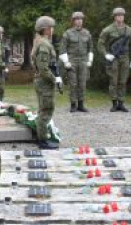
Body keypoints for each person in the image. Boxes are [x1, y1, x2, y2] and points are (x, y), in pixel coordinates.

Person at [97, 7, 131, 112]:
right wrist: (106, 54)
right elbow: (100, 44)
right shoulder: (108, 30)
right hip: (113, 58)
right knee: (113, 81)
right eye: (118, 15)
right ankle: (114, 103)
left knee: (123, 81)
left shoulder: (129, 30)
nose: (120, 17)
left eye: (122, 15)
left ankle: (121, 102)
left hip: (125, 58)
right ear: (114, 17)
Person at [32, 15, 60, 149]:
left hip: (43, 81)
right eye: (51, 27)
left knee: (43, 109)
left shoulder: (42, 42)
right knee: (46, 110)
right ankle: (42, 140)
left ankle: (40, 136)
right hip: (44, 82)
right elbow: (43, 68)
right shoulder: (43, 44)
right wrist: (55, 79)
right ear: (45, 29)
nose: (52, 29)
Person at [57, 11, 93, 113]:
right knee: (73, 84)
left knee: (82, 83)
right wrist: (66, 61)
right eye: (77, 19)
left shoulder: (87, 33)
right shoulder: (68, 33)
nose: (79, 21)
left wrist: (90, 59)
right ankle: (73, 104)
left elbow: (90, 48)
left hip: (83, 61)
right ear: (73, 21)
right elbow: (63, 49)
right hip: (72, 61)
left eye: (81, 19)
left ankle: (81, 104)